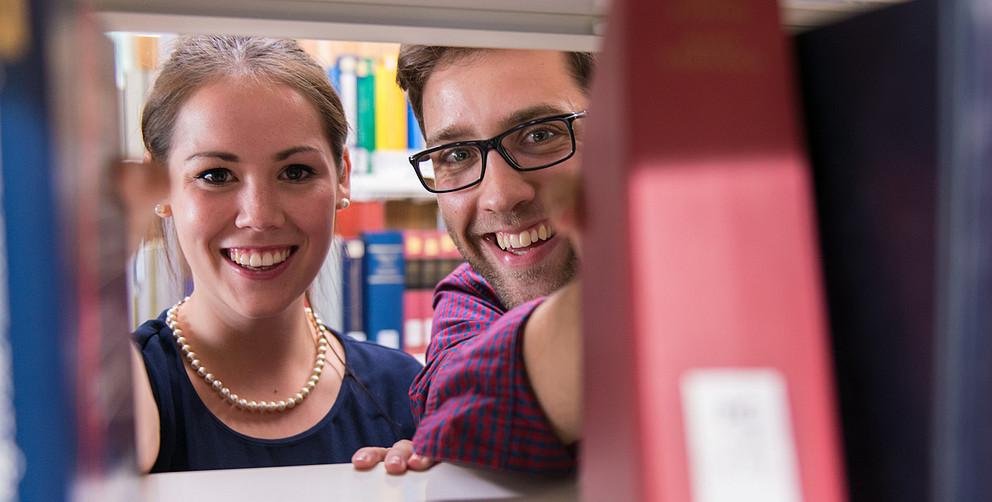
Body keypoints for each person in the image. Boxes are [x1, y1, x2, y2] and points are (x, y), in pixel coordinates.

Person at [130, 35, 421, 473]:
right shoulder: (133, 390)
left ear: (342, 177)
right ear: (160, 185)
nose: (260, 216)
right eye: (215, 175)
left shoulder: (403, 389)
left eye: (296, 172)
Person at [353, 47, 592, 475]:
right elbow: (454, 401)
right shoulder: (473, 294)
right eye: (457, 155)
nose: (501, 196)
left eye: (539, 134)